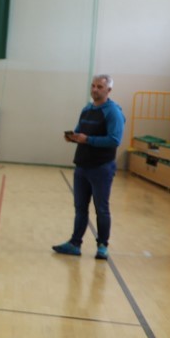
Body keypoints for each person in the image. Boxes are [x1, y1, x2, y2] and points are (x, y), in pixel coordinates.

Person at [53, 74, 126, 260]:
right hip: (82, 166)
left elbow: (115, 140)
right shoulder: (86, 109)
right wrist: (73, 137)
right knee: (80, 208)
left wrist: (88, 140)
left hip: (102, 167)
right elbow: (80, 131)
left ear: (108, 90)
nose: (95, 89)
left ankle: (102, 246)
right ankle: (75, 243)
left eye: (99, 87)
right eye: (93, 86)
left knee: (101, 208)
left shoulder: (113, 112)